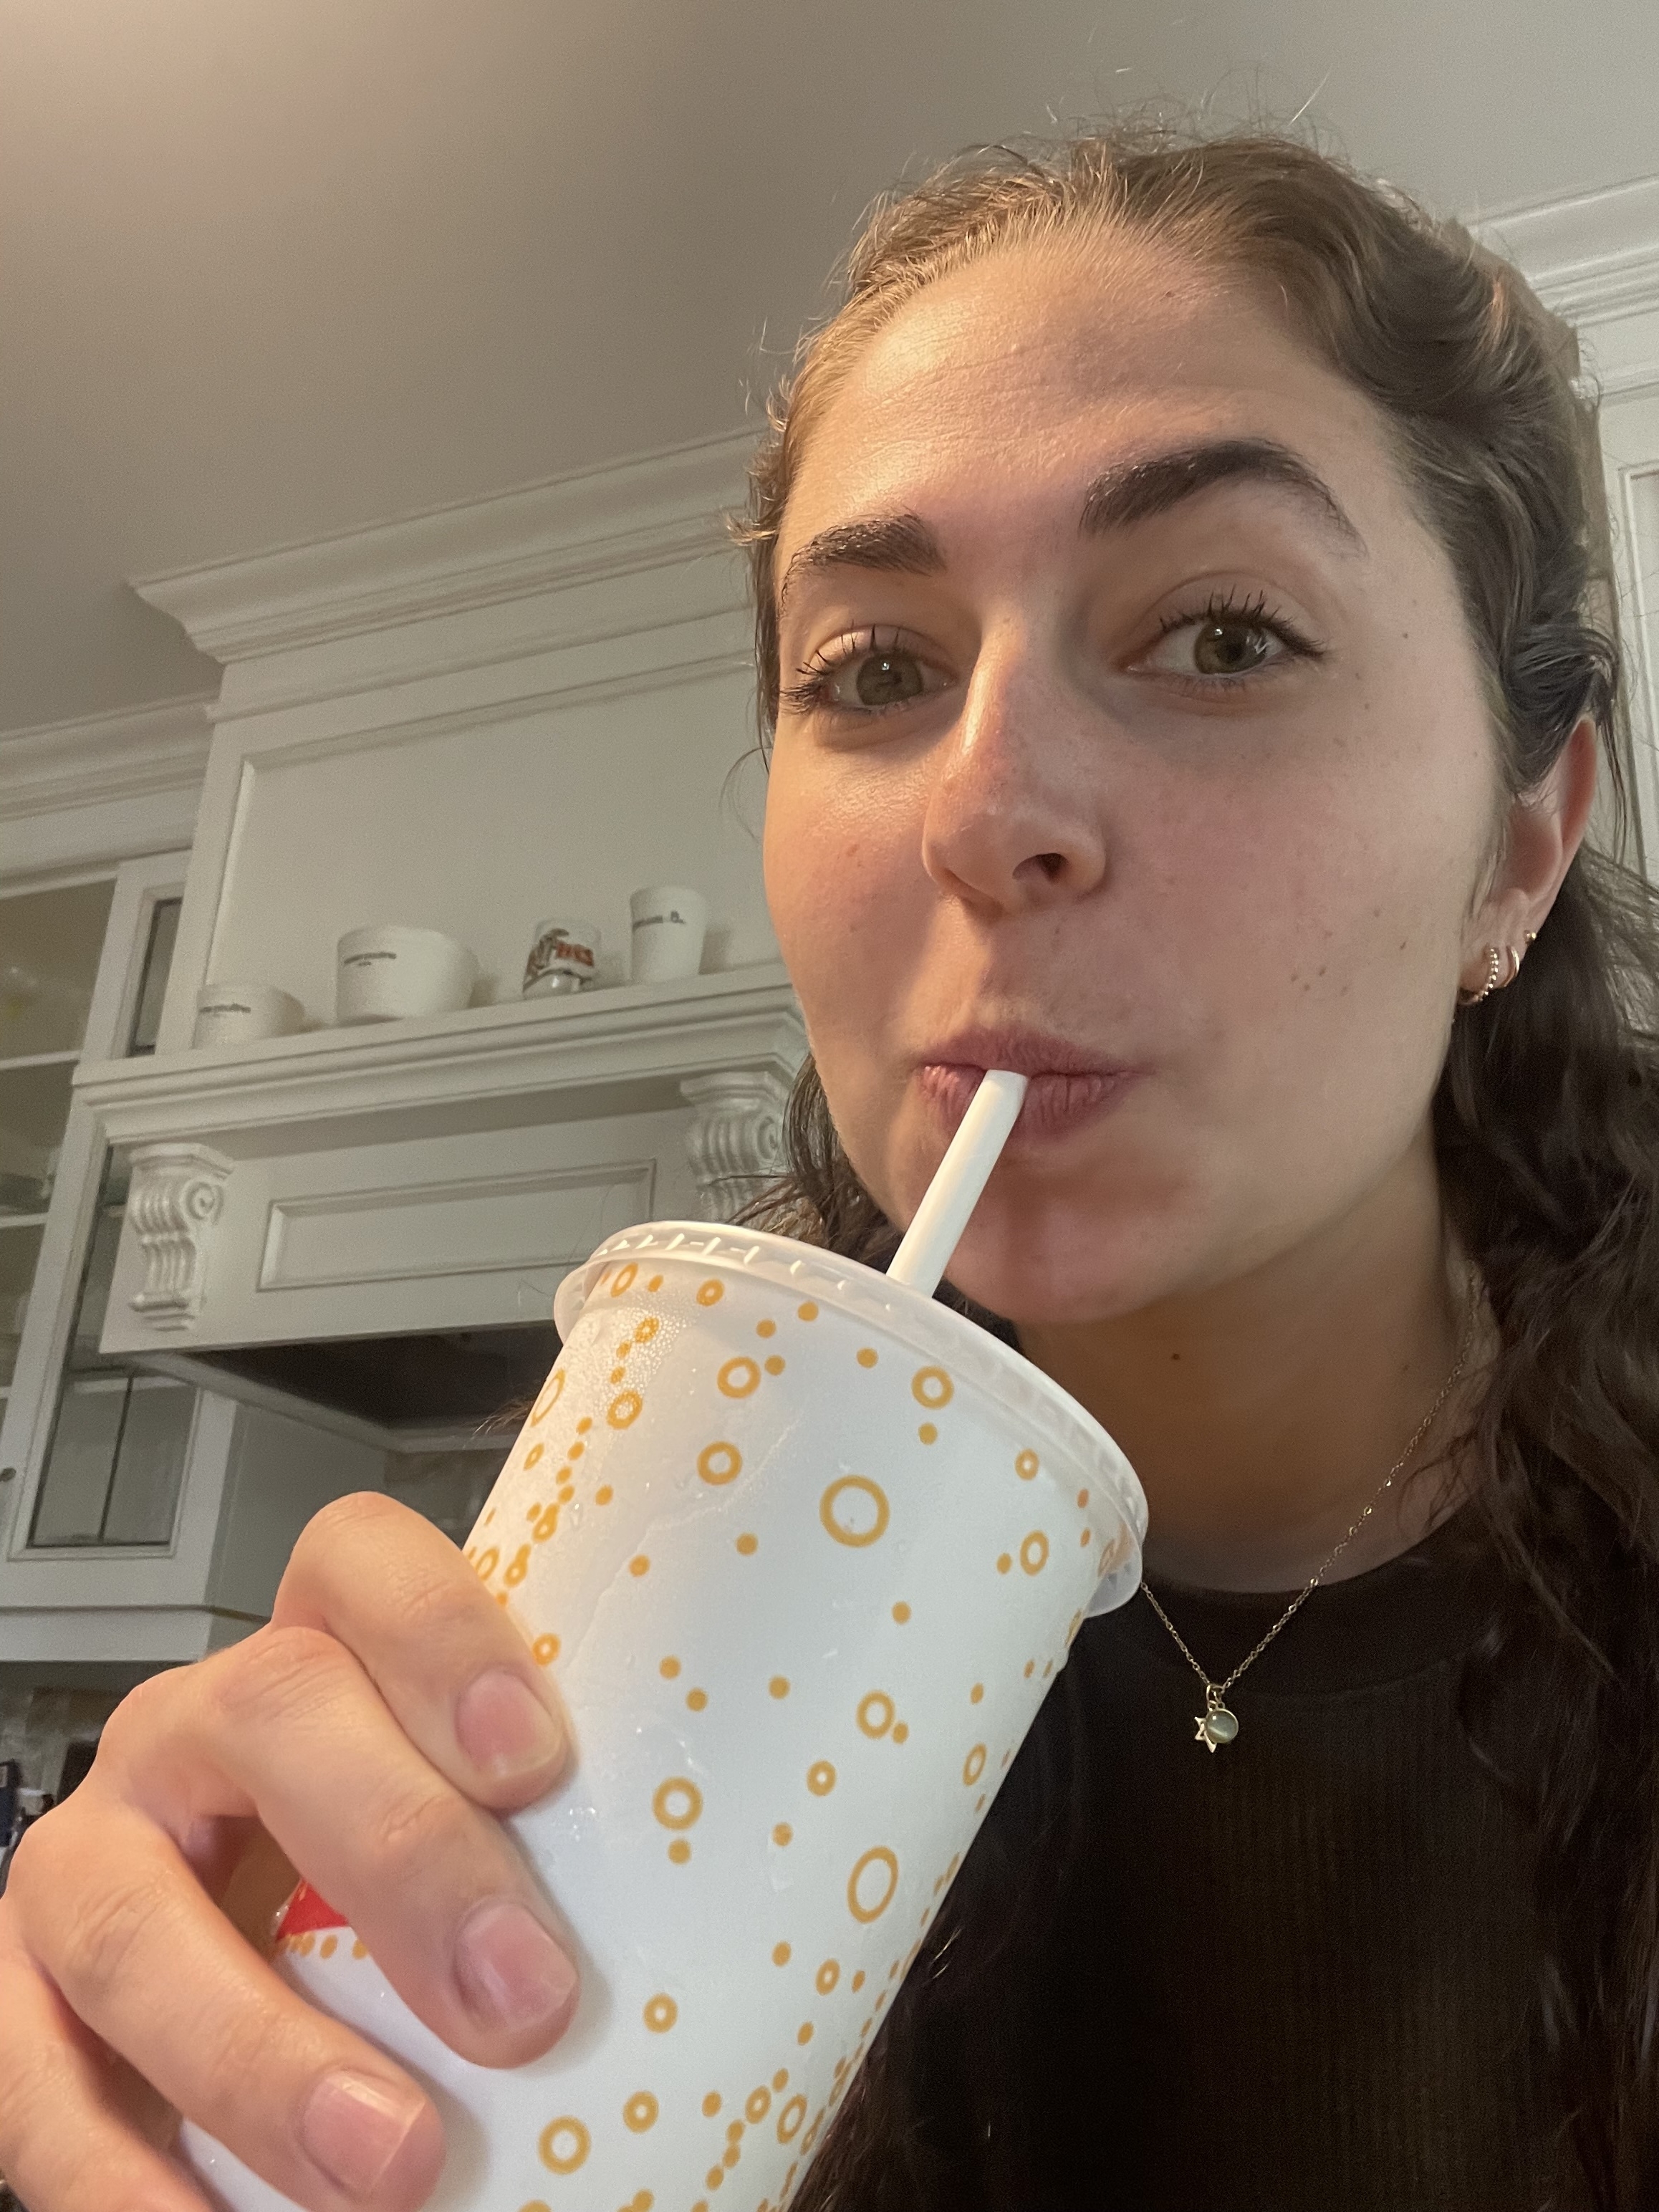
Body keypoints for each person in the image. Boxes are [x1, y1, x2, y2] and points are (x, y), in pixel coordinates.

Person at [0, 119, 1650, 2212]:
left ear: (1520, 840)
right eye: (873, 670)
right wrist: (200, 2077)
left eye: (1224, 635)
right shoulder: (649, 1589)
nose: (987, 811)